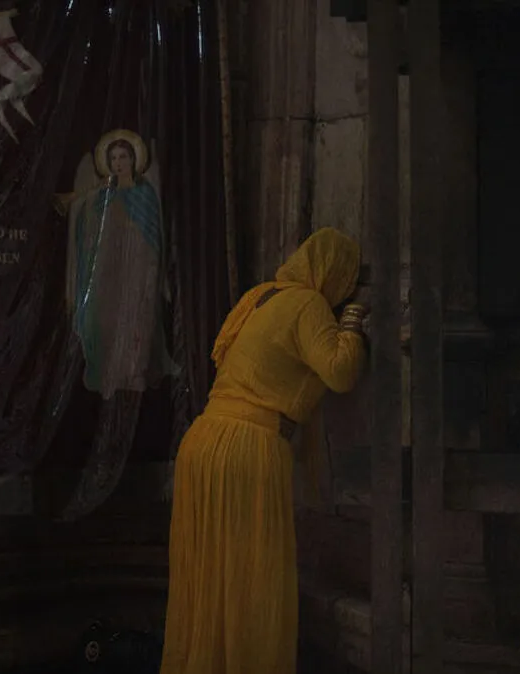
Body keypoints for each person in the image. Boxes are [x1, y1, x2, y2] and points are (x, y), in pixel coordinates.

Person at [160, 228, 370, 674]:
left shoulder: (261, 295)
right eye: (347, 280)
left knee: (208, 582)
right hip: (247, 449)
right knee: (254, 582)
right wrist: (353, 319)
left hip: (203, 441)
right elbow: (340, 371)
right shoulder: (309, 303)